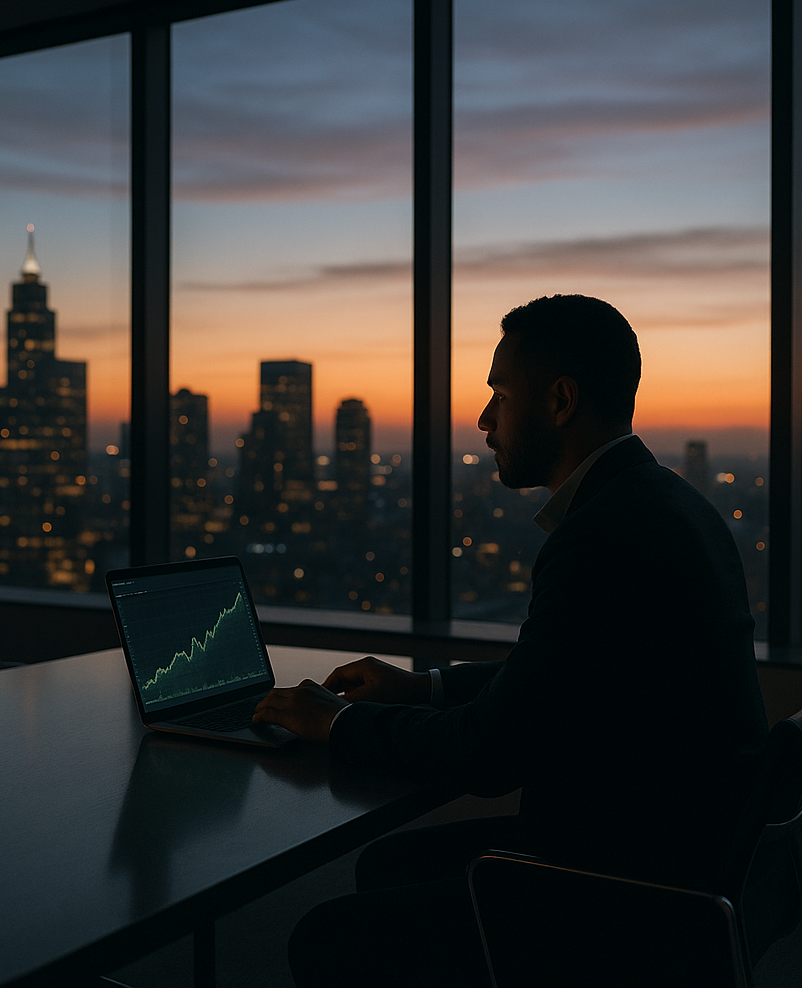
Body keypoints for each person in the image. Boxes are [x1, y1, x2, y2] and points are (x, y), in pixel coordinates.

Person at [253, 294, 769, 987]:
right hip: (671, 856)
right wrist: (422, 687)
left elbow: (491, 751)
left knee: (327, 937)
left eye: (500, 392)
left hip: (616, 890)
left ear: (559, 401)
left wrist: (340, 725)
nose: (484, 417)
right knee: (388, 864)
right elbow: (554, 674)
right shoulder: (667, 505)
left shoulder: (603, 536)